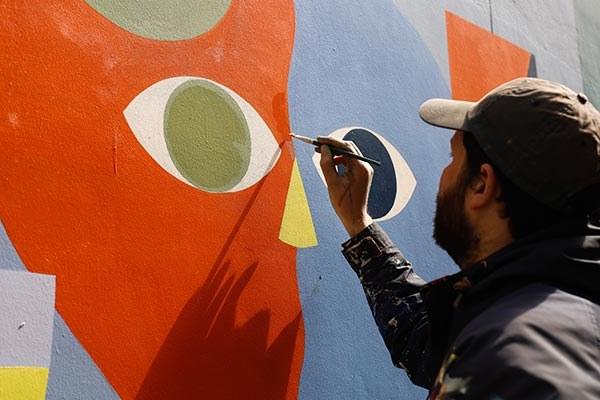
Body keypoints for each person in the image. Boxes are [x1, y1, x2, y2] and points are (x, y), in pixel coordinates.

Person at [317, 78, 600, 399]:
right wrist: (359, 224)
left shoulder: (509, 361)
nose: (444, 174)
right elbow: (427, 345)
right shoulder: (545, 315)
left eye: (453, 158)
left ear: (482, 184)